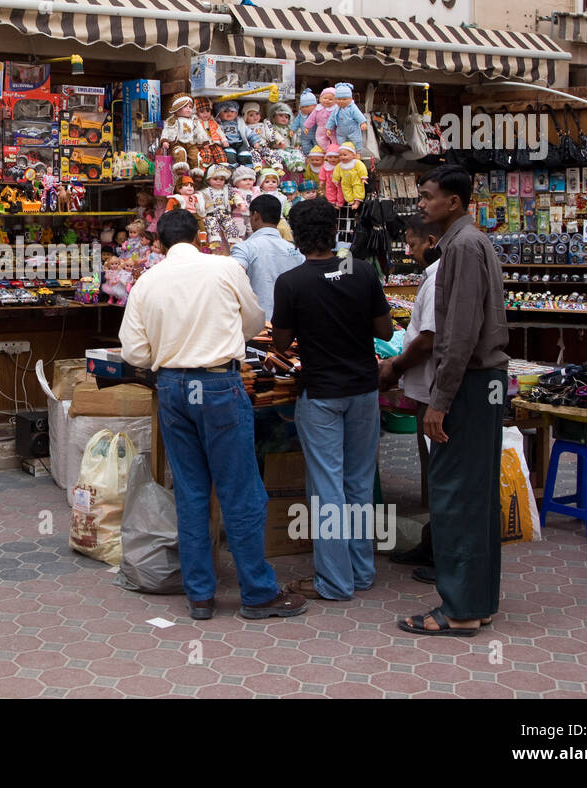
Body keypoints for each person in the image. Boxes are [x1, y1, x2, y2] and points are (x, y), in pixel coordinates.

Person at [119, 208, 308, 621]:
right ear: (199, 235)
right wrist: (221, 339)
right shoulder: (223, 268)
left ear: (160, 243)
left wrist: (168, 354)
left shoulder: (147, 282)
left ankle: (200, 595)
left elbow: (135, 353)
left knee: (191, 493)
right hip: (219, 385)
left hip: (172, 387)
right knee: (240, 490)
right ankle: (257, 593)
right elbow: (256, 320)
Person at [399, 165, 508, 636]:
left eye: (427, 196)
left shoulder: (462, 247)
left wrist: (439, 401)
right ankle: (476, 603)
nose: (420, 204)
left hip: (468, 385)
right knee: (475, 496)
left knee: (455, 498)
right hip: (484, 383)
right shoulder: (473, 242)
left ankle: (459, 610)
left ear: (454, 202)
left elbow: (458, 334)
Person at [271, 198, 392, 601]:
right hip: (363, 389)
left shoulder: (292, 281)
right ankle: (360, 572)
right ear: (334, 231)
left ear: (298, 236)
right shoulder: (358, 271)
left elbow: (282, 343)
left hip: (321, 392)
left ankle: (334, 582)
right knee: (358, 483)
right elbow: (385, 329)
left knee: (326, 488)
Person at [379, 216, 442, 577]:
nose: (407, 251)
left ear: (431, 240)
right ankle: (432, 544)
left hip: (435, 390)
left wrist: (396, 366)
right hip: (427, 388)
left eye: (412, 244)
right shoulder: (432, 276)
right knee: (434, 472)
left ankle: (442, 551)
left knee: (441, 473)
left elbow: (429, 337)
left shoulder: (437, 279)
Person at [230, 194, 303, 321]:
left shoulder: (245, 248)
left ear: (255, 215)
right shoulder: (296, 251)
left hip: (256, 327)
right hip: (290, 325)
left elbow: (232, 279)